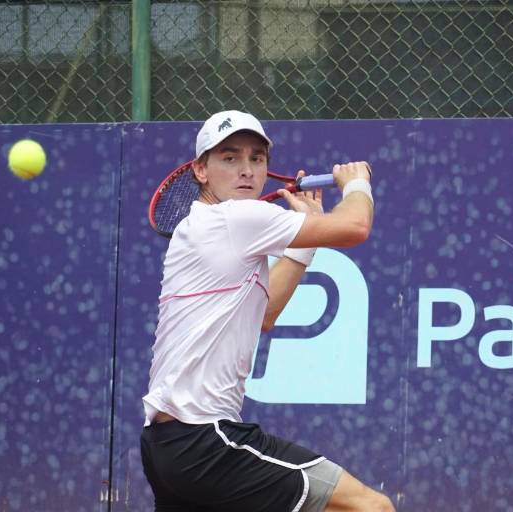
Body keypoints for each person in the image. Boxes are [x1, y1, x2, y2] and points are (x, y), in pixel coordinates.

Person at [140, 110, 394, 512]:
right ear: (200, 170)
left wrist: (303, 241)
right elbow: (356, 226)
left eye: (256, 159)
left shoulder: (202, 225)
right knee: (370, 507)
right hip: (207, 441)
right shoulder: (237, 217)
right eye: (230, 158)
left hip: (168, 447)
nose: (246, 170)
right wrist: (357, 181)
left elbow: (265, 315)